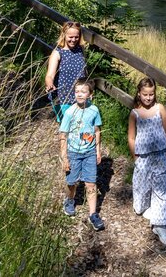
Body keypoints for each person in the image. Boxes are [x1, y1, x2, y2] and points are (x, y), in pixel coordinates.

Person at [126, 77, 166, 246]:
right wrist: (135, 156)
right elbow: (131, 137)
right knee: (142, 187)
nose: (148, 97)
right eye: (145, 94)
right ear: (139, 94)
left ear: (155, 94)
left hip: (161, 155)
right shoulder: (135, 113)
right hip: (143, 157)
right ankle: (145, 208)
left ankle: (160, 225)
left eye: (151, 94)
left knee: (162, 189)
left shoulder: (160, 108)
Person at [59, 78, 105, 231]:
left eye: (83, 91)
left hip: (90, 152)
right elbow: (63, 135)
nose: (79, 94)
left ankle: (93, 214)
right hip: (73, 152)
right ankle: (70, 200)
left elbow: (97, 131)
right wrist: (64, 157)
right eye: (77, 91)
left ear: (90, 94)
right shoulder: (70, 112)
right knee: (72, 182)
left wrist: (98, 150)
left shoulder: (94, 111)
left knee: (91, 183)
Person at [45, 21, 86, 122]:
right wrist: (50, 84)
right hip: (63, 96)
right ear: (64, 35)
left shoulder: (80, 49)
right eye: (70, 37)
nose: (73, 40)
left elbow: (84, 71)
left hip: (80, 95)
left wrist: (87, 87)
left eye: (76, 37)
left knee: (80, 125)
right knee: (65, 127)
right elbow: (49, 75)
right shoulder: (58, 53)